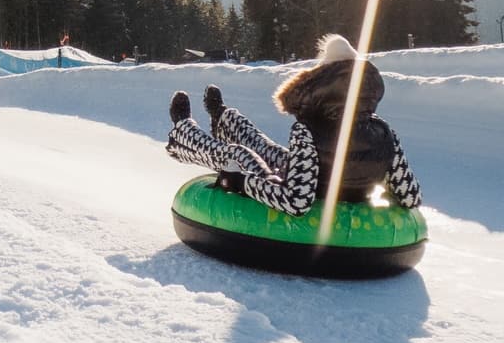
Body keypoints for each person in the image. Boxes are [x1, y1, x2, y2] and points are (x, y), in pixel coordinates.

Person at [166, 33, 421, 216]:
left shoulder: (308, 130)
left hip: (306, 191)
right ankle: (222, 117)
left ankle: (182, 131)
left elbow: (296, 200)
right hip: (319, 179)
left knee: (239, 153)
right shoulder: (385, 133)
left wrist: (239, 182)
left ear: (319, 87)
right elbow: (410, 196)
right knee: (268, 149)